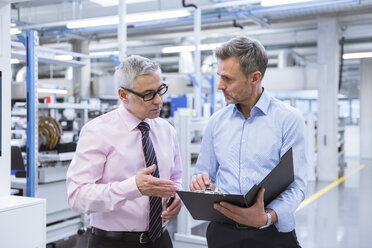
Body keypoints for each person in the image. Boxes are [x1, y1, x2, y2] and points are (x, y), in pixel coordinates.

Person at [189, 36, 307, 248]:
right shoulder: (216, 122)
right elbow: (203, 172)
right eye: (219, 76)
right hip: (222, 233)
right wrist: (200, 182)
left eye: (228, 79)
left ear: (254, 78)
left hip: (272, 233)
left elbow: (297, 185)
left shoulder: (288, 119)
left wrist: (267, 217)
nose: (219, 86)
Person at [67, 55, 183, 248]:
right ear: (123, 95)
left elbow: (176, 177)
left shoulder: (166, 130)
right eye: (148, 94)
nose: (158, 101)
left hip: (160, 240)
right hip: (113, 242)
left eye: (160, 90)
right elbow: (77, 196)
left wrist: (176, 197)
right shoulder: (97, 131)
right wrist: (133, 188)